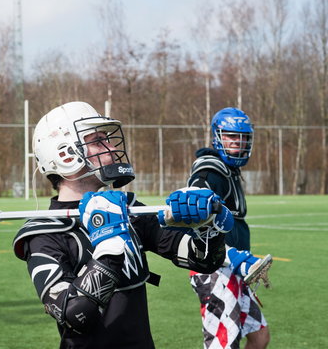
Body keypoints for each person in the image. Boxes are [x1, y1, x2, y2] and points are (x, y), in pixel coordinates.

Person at [13, 101, 234, 349]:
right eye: (98, 140)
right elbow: (75, 315)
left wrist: (209, 229)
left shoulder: (129, 209)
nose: (111, 146)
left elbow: (203, 260)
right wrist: (109, 244)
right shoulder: (44, 232)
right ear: (65, 155)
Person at [187, 107, 272, 349]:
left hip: (234, 270)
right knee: (223, 345)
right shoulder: (209, 170)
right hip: (215, 269)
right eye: (231, 136)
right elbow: (195, 219)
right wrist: (233, 255)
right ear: (217, 136)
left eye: (243, 137)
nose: (238, 142)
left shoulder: (230, 171)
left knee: (259, 336)